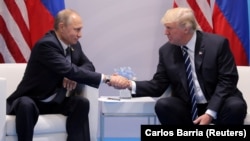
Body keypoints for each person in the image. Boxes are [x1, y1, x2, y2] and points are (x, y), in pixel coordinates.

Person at [6, 9, 128, 141]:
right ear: (62, 27)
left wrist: (72, 75)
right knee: (25, 104)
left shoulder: (74, 45)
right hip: (33, 99)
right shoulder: (46, 45)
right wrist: (107, 78)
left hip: (55, 101)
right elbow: (69, 70)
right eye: (76, 29)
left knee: (81, 103)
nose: (80, 34)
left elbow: (89, 66)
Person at [112, 7, 247, 125]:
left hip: (219, 102)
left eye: (169, 28)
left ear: (186, 28)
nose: (165, 32)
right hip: (188, 106)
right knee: (164, 105)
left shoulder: (217, 44)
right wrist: (129, 84)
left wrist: (210, 113)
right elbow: (158, 85)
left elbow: (227, 80)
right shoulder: (166, 51)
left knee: (235, 106)